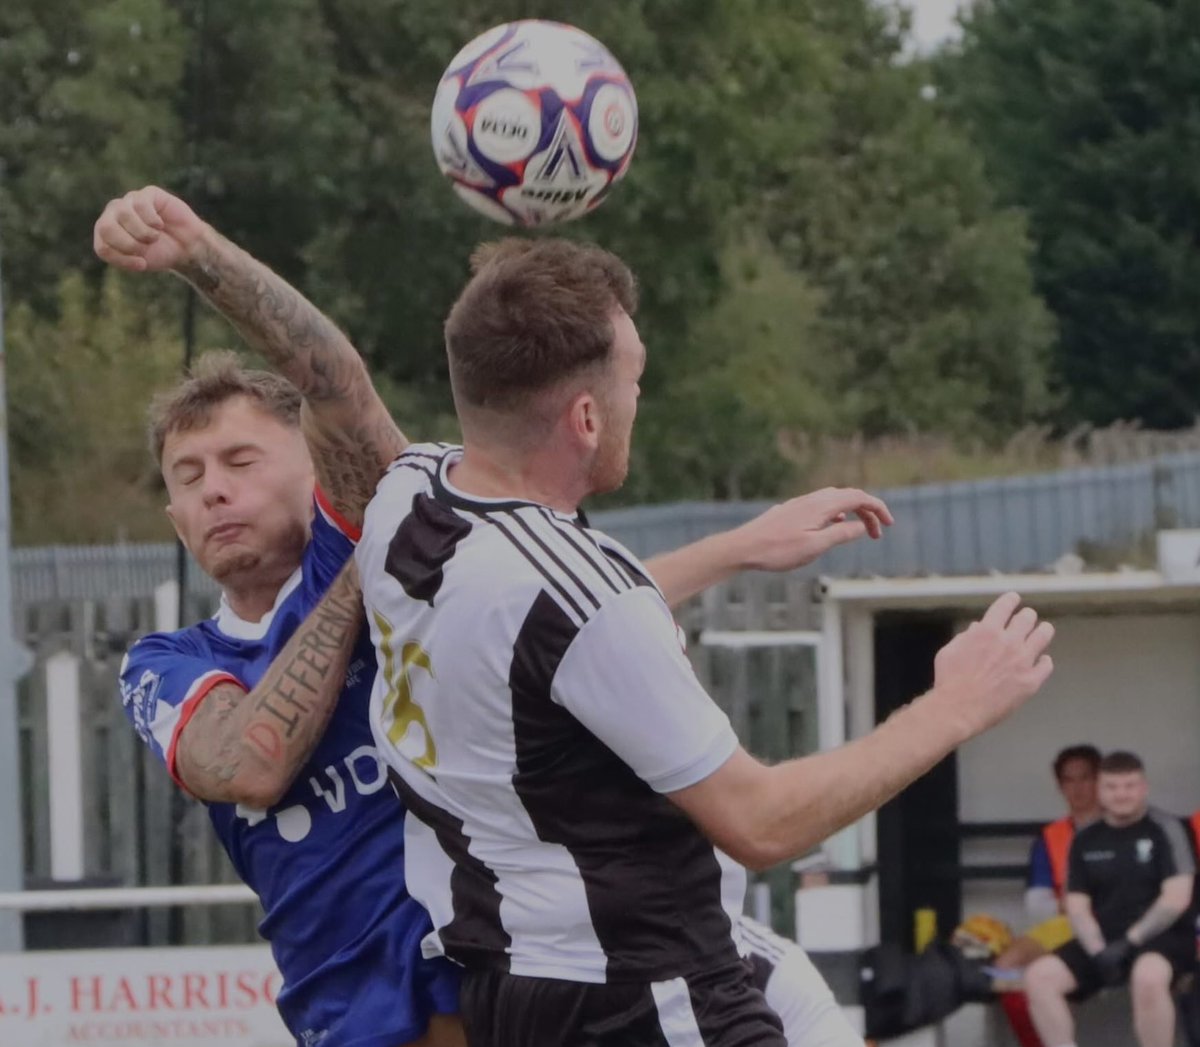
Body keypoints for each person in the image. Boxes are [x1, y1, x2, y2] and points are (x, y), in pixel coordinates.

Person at [97, 187, 878, 1047]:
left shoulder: (390, 539)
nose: (212, 487)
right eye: (187, 474)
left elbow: (550, 631)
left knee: (785, 989)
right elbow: (248, 761)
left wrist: (735, 548)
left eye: (240, 459)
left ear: (310, 467)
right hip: (359, 1009)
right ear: (171, 517)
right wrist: (371, 559)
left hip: (503, 962)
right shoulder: (167, 660)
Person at [356, 237, 1055, 1047]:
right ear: (586, 416)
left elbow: (538, 634)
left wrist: (737, 547)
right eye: (635, 379)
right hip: (642, 994)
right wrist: (954, 707)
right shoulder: (581, 594)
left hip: (522, 986)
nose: (637, 399)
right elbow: (763, 822)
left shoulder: (410, 496)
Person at [1024, 751, 1195, 1047]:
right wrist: (1098, 949)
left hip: (1162, 938)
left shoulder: (1169, 829)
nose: (1121, 794)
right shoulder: (1086, 838)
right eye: (1112, 787)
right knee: (1039, 977)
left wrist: (1128, 942)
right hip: (1102, 940)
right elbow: (1076, 904)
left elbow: (1176, 899)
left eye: (1129, 786)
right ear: (1100, 790)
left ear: (1144, 788)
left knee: (1148, 977)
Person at [996, 745, 1102, 1047]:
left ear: (1099, 780)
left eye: (1086, 778)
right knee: (1006, 967)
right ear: (1059, 786)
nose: (1078, 787)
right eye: (1070, 780)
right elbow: (1037, 905)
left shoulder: (1123, 827)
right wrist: (1070, 905)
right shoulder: (1051, 836)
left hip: (1112, 924)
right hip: (1063, 924)